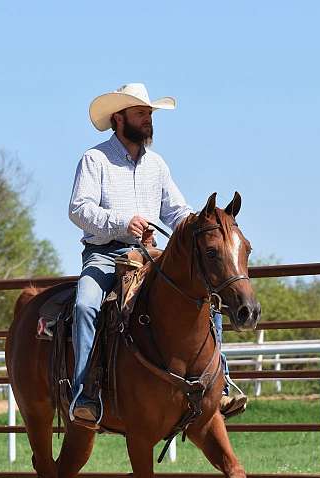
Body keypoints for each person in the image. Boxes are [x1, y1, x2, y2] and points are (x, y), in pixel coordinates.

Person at [68, 83, 246, 429]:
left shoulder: (157, 165)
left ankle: (220, 383)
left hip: (150, 255)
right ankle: (84, 393)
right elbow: (79, 209)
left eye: (150, 114)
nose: (148, 119)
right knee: (85, 304)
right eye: (141, 113)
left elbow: (177, 211)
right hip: (105, 255)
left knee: (206, 296)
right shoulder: (95, 159)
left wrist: (202, 226)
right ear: (119, 119)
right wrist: (122, 222)